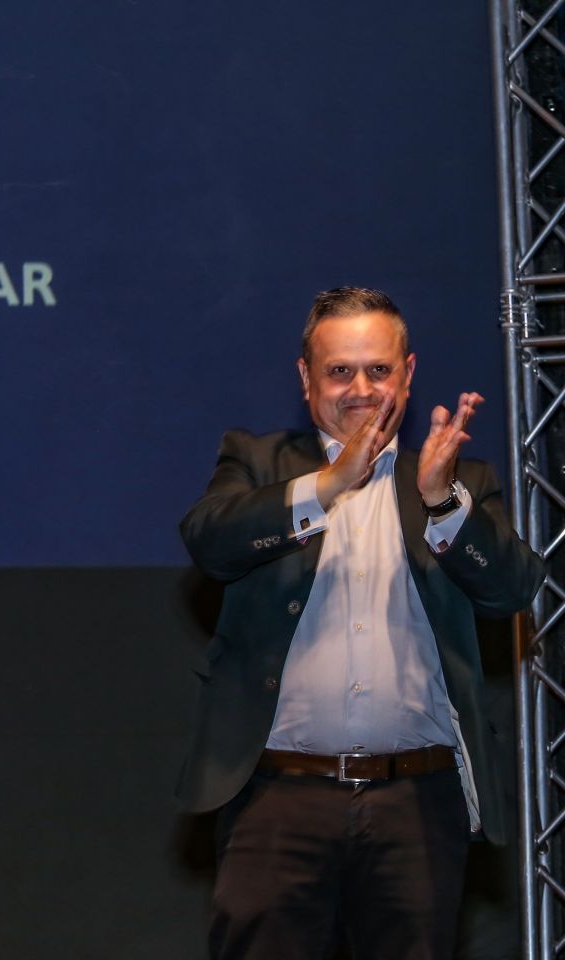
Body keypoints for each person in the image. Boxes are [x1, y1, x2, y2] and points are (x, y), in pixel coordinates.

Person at [178, 286, 546, 959]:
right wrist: (330, 482)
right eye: (339, 370)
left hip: (416, 805)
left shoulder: (456, 480)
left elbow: (512, 591)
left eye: (378, 369)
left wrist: (444, 505)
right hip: (278, 801)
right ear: (305, 377)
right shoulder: (258, 462)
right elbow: (210, 540)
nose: (360, 388)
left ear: (407, 372)